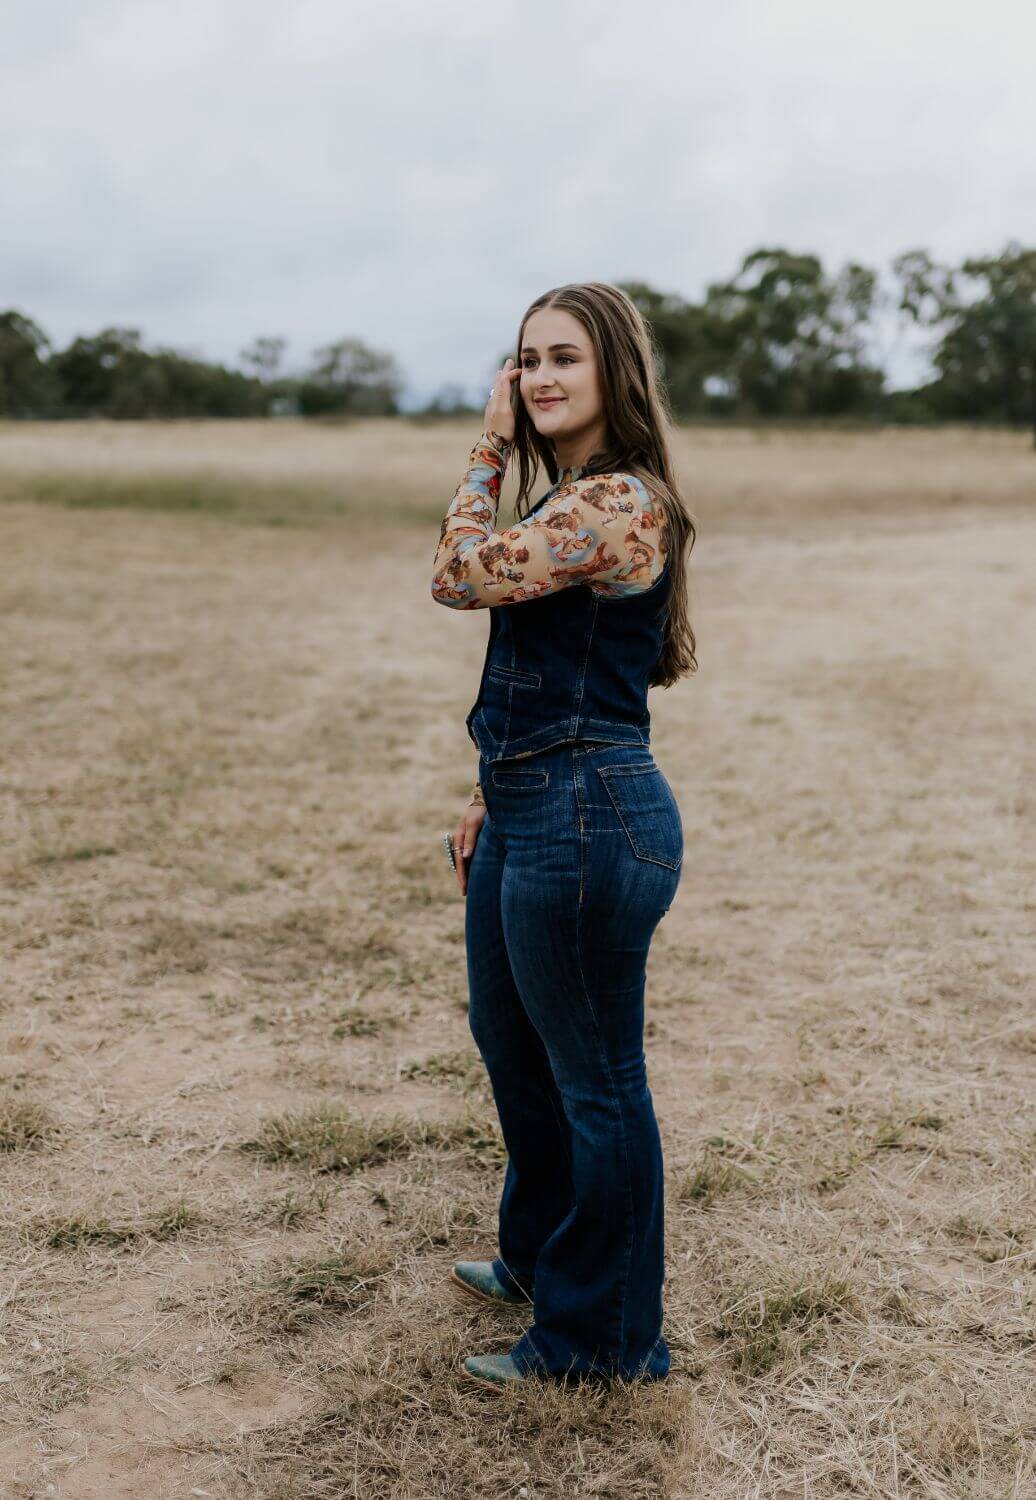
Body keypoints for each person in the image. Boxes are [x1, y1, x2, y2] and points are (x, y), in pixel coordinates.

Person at [430, 282, 698, 1390]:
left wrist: (487, 452)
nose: (538, 378)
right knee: (517, 1051)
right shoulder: (577, 497)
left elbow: (460, 575)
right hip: (533, 805)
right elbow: (548, 673)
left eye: (564, 360)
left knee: (596, 1082)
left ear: (613, 376)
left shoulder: (617, 502)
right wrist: (491, 790)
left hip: (590, 821)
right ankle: (543, 1258)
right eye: (525, 358)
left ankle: (605, 1338)